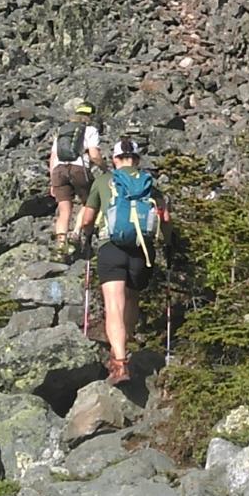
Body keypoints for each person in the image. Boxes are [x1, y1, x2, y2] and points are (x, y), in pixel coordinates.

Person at [77, 138, 170, 385]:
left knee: (114, 305)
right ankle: (125, 346)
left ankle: (119, 363)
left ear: (115, 159)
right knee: (131, 298)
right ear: (137, 159)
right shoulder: (149, 183)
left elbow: (87, 219)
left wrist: (84, 238)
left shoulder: (104, 181)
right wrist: (168, 243)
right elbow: (165, 217)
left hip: (111, 248)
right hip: (142, 251)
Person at [48, 103, 103, 257]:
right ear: (90, 116)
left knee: (64, 210)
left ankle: (60, 245)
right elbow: (94, 155)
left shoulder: (62, 130)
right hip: (79, 169)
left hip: (58, 170)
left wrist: (52, 181)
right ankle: (76, 233)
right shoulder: (90, 130)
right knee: (89, 201)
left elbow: (53, 157)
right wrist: (105, 168)